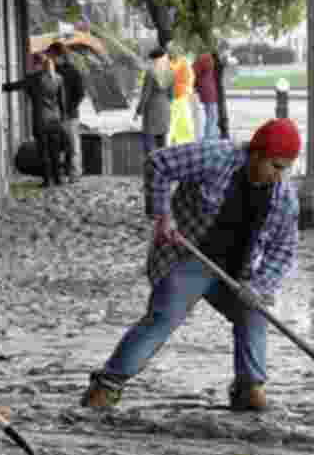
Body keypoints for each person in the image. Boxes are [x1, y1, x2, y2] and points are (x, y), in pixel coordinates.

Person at [80, 118, 302, 412]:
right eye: (275, 165)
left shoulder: (283, 198)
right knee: (164, 316)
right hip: (190, 255)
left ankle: (249, 388)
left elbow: (283, 249)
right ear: (256, 153)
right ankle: (106, 386)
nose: (278, 176)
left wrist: (259, 287)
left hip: (238, 272)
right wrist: (162, 215)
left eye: (284, 168)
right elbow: (158, 163)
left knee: (254, 314)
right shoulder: (215, 157)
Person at [2, 48, 70, 187]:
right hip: (55, 120)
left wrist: (2, 85)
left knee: (43, 151)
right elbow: (62, 102)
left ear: (40, 65)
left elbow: (14, 86)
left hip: (41, 120)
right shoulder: (58, 78)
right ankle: (57, 179)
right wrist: (63, 119)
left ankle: (47, 180)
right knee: (55, 151)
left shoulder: (34, 79)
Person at [135, 47, 175, 214]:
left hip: (151, 113)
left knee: (150, 157)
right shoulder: (169, 72)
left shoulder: (151, 72)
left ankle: (151, 205)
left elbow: (145, 95)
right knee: (162, 154)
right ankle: (163, 201)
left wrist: (138, 111)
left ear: (153, 58)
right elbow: (172, 95)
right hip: (165, 111)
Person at [48, 41, 86, 182]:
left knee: (71, 144)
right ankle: (64, 174)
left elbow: (80, 93)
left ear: (58, 55)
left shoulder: (72, 71)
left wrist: (70, 108)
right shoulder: (52, 72)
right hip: (57, 114)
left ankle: (73, 173)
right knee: (63, 145)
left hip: (68, 114)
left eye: (51, 55)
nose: (49, 58)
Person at [167, 44, 195, 146]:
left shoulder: (181, 63)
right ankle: (178, 142)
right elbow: (189, 79)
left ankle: (178, 142)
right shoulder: (180, 63)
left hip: (178, 97)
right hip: (178, 97)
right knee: (179, 122)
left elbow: (189, 79)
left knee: (180, 122)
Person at [193, 52, 220, 142]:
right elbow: (194, 72)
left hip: (208, 90)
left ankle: (211, 138)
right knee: (212, 116)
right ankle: (210, 139)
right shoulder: (205, 57)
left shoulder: (205, 57)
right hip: (208, 91)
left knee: (212, 116)